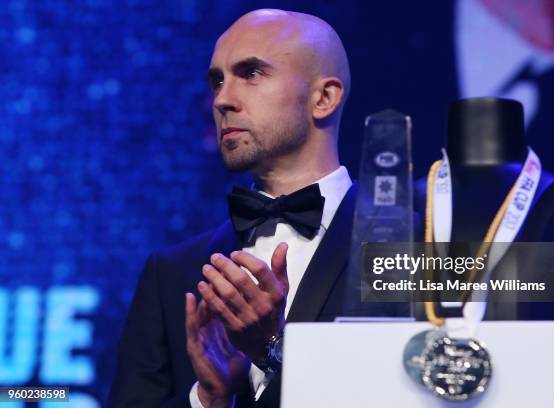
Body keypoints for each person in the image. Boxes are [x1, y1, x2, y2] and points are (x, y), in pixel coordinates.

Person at [108, 9, 394, 408]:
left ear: (324, 98)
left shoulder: (413, 244)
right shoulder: (172, 273)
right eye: (217, 81)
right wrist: (208, 397)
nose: (223, 99)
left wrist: (271, 352)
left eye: (252, 73)